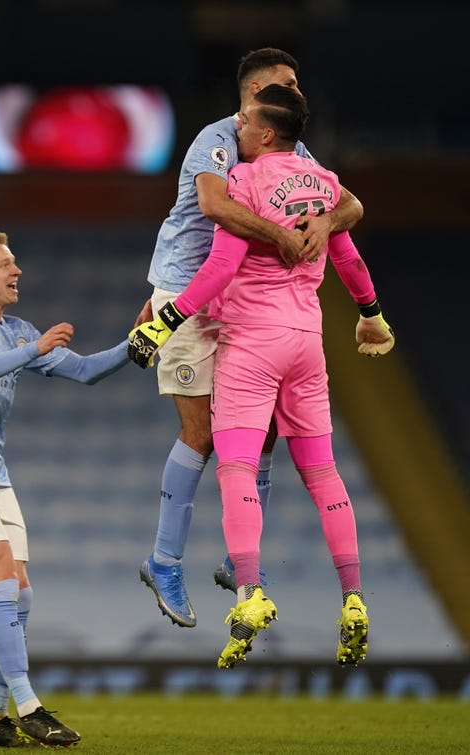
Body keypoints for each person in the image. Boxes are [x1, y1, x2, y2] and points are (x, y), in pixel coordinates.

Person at [128, 84, 395, 668]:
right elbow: (347, 255)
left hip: (252, 342)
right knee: (323, 473)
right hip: (309, 341)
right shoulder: (324, 183)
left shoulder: (245, 182)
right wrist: (371, 316)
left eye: (245, 119)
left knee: (236, 464)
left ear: (266, 131)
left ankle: (249, 591)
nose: (236, 127)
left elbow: (221, 265)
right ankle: (353, 599)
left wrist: (163, 319)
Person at [0, 230, 150, 749]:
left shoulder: (18, 330)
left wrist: (142, 339)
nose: (17, 270)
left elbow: (88, 371)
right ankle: (30, 708)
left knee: (20, 596)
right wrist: (32, 350)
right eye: (6, 263)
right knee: (1, 584)